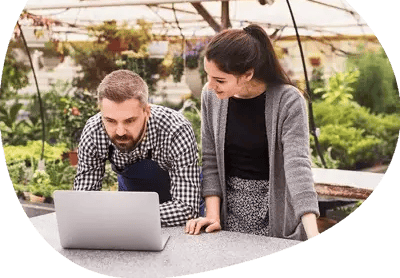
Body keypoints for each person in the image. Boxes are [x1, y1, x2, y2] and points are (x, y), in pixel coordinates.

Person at [185, 25, 320, 241]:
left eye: (220, 80)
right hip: (229, 215)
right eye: (208, 76)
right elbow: (210, 161)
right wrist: (213, 216)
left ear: (248, 74)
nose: (210, 86)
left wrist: (313, 234)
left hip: (276, 213)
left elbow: (298, 166)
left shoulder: (288, 101)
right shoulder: (210, 97)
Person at [74, 70, 201, 227]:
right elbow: (83, 202)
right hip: (131, 213)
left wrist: (127, 216)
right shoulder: (94, 131)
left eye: (129, 121)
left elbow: (187, 209)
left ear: (146, 112)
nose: (120, 131)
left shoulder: (175, 129)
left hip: (176, 220)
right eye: (111, 121)